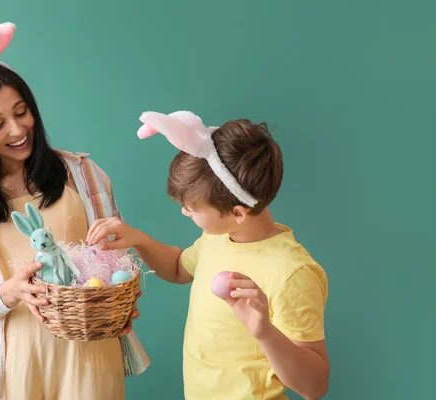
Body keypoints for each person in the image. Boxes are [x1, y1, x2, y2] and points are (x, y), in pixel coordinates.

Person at [0, 23, 149, 400]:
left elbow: (119, 259)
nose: (17, 129)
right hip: (20, 362)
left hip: (91, 354)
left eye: (22, 111)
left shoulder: (82, 175)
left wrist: (123, 300)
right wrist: (9, 293)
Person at [88, 111, 330, 399]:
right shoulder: (218, 237)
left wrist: (266, 333)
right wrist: (138, 239)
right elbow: (179, 268)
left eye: (192, 207)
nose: (184, 211)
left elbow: (315, 386)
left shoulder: (292, 272)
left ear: (237, 213)